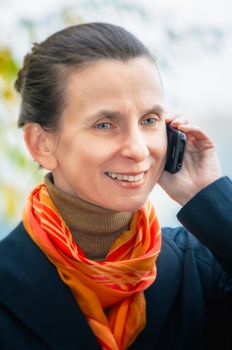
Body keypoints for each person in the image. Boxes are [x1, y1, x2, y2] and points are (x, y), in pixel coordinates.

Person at [0, 22, 231, 350]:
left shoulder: (204, 266)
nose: (138, 149)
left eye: (149, 120)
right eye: (105, 124)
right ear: (41, 145)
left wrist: (210, 197)